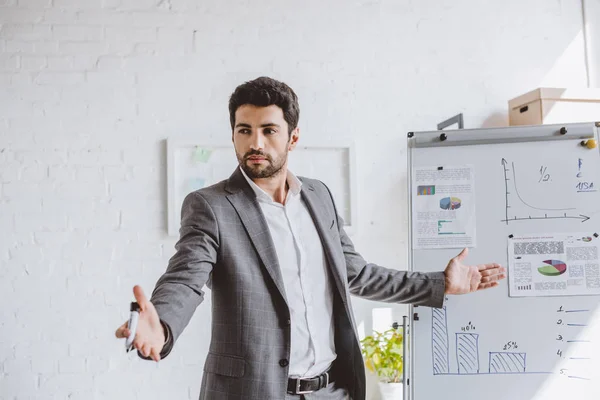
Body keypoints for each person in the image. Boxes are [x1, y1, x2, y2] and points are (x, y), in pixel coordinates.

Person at [115, 76, 505, 400]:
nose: (256, 143)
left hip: (333, 390)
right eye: (244, 130)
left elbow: (357, 274)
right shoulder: (211, 206)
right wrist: (161, 326)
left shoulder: (317, 197)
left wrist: (439, 283)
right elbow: (186, 277)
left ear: (293, 137)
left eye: (269, 130)